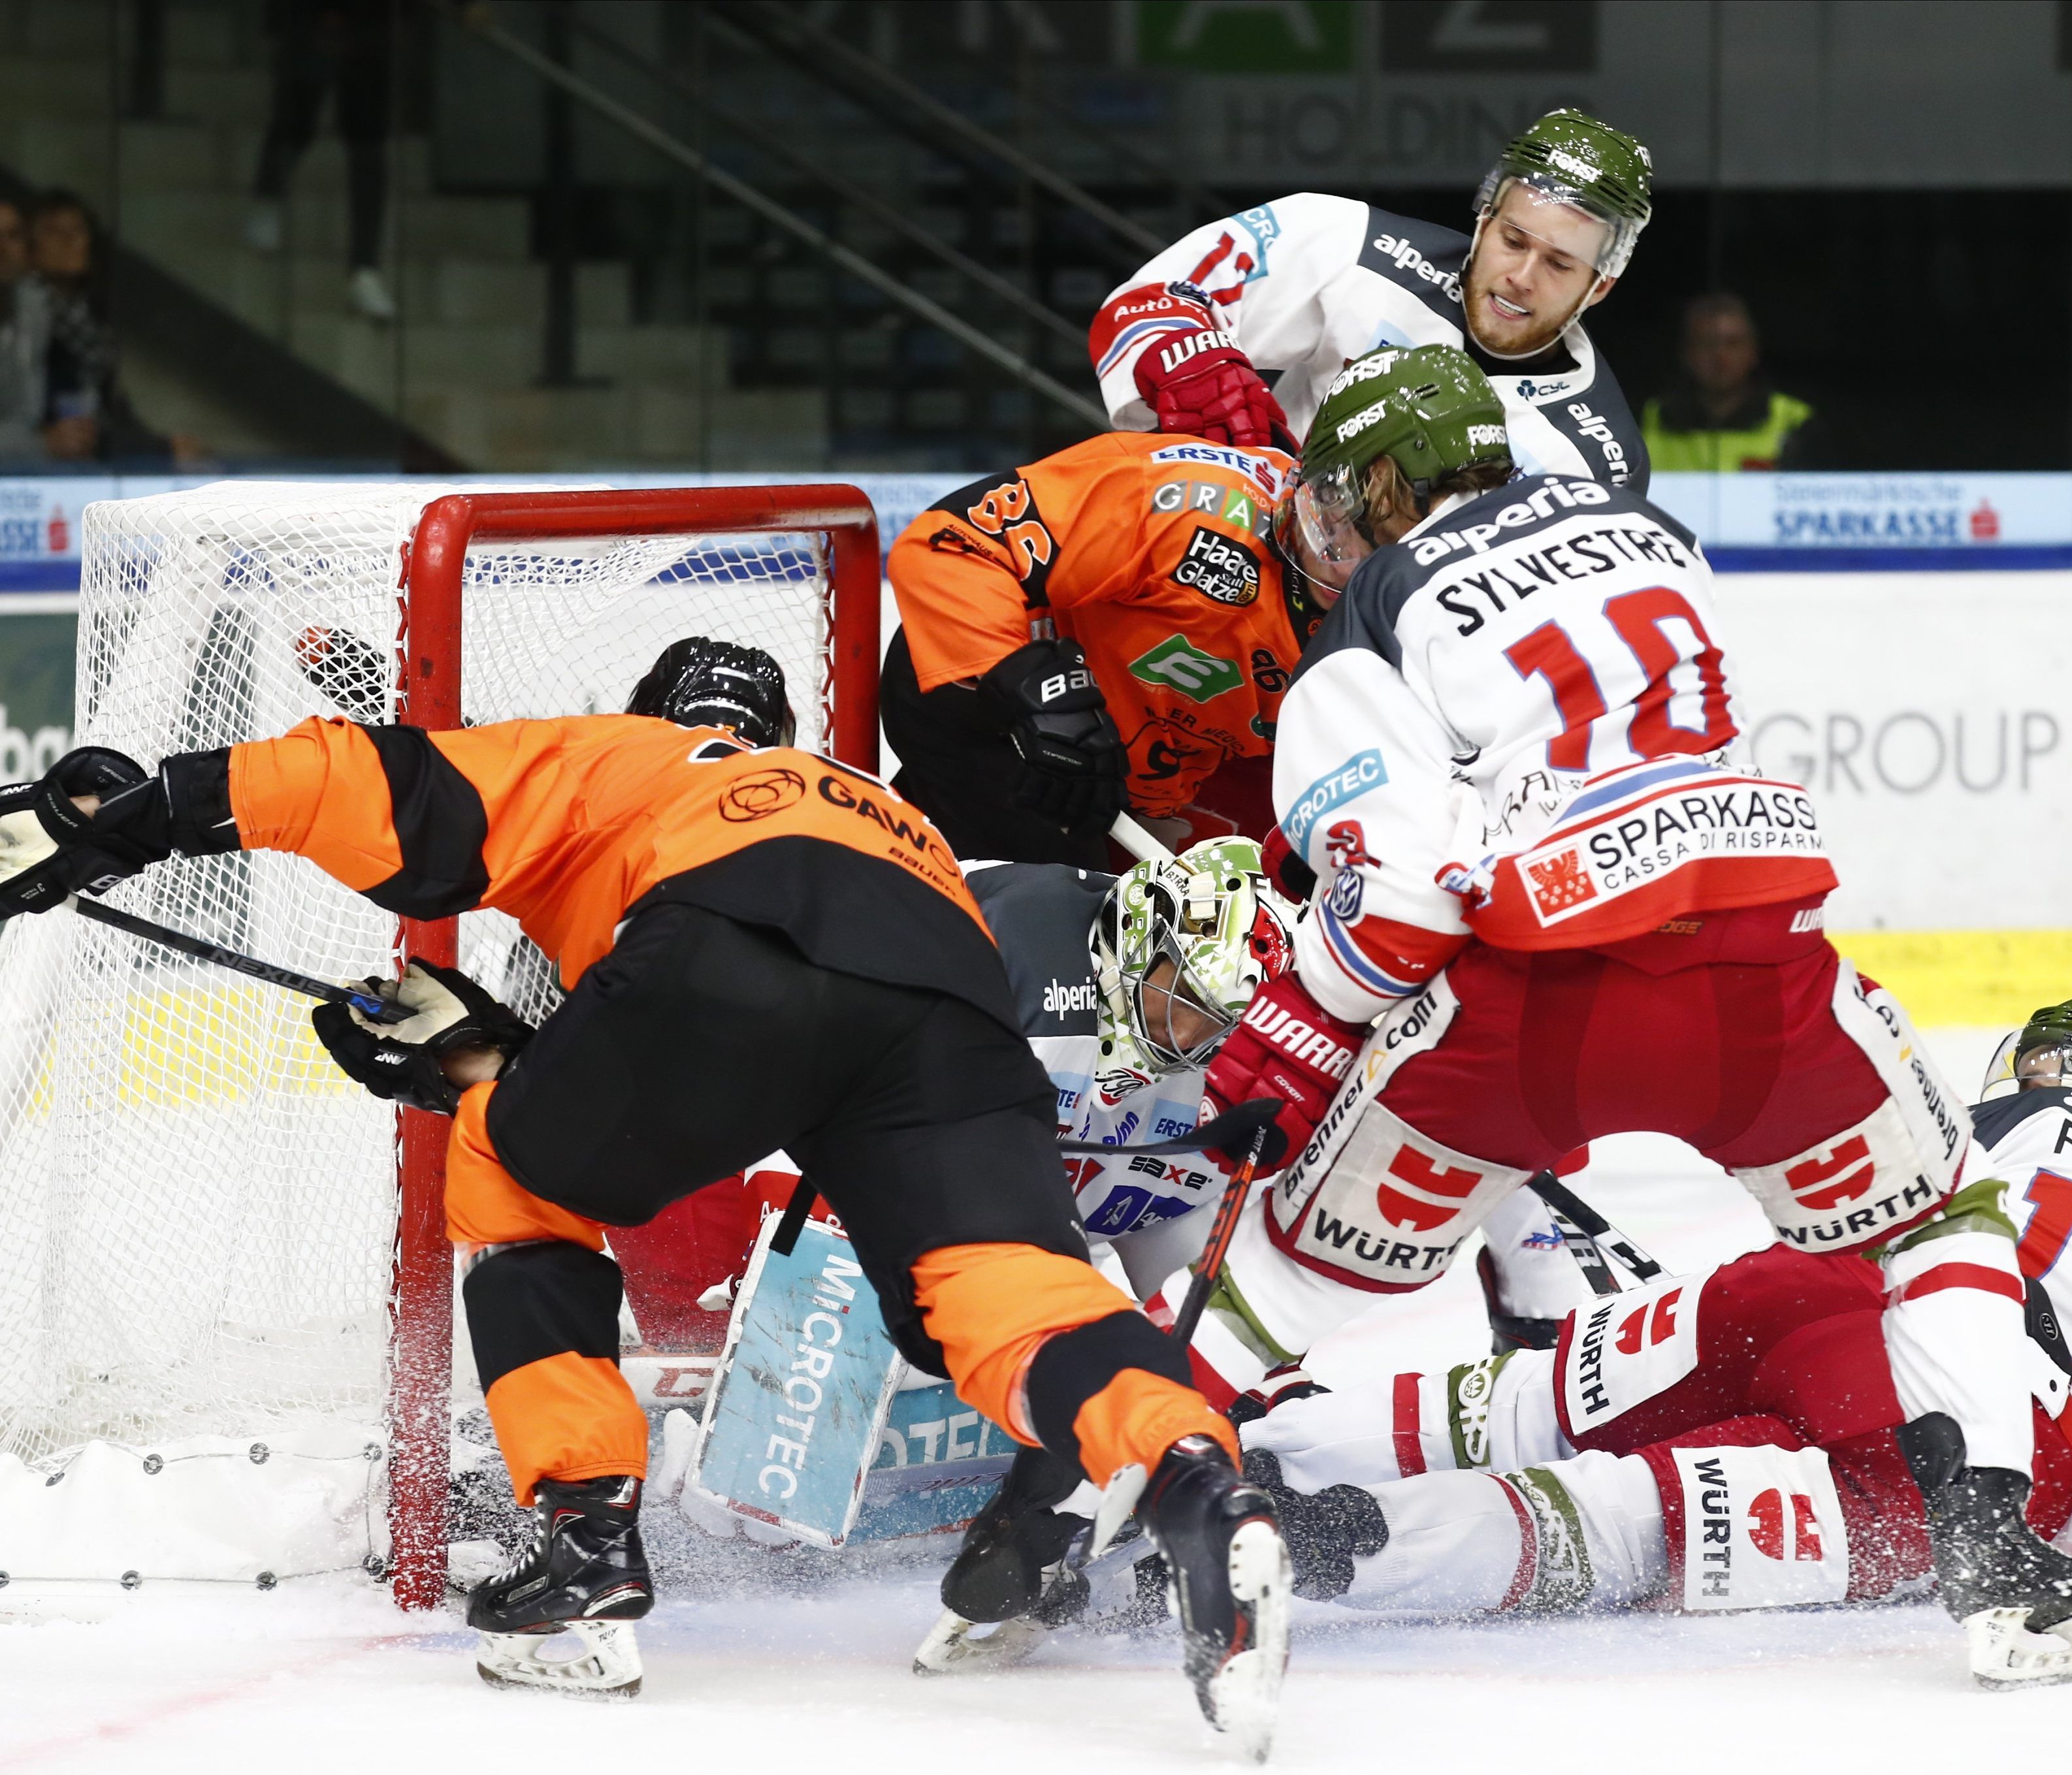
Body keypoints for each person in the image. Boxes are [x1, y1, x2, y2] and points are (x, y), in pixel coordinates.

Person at [0, 670, 1289, 1744]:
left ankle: (584, 1556)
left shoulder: (617, 758)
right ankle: (1194, 1488)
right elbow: (786, 1053)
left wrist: (143, 813)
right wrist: (507, 1061)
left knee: (507, 1161)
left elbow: (368, 783)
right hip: (949, 1008)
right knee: (1011, 1299)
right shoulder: (864, 801)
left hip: (737, 942)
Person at [1186, 342, 2072, 1687]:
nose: (1334, 532)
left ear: (1383, 484)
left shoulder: (1373, 614)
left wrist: (1282, 1048)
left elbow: (1399, 902)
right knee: (1940, 1219)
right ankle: (1989, 1541)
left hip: (1530, 1006)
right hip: (1759, 974)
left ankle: (1065, 1513)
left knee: (1267, 1284)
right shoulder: (1653, 530)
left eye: (1345, 499)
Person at [1240, 988, 2072, 1680]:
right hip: (1984, 1455)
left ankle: (1233, 1437)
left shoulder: (2009, 1117)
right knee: (1621, 1519)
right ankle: (1294, 1546)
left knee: (1532, 1395)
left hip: (1806, 1297)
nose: (2029, 1074)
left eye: (2048, 1058)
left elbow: (1861, 1197)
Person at [918, 835, 1593, 1663]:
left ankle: (1203, 1476)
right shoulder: (1013, 961)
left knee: (1245, 1374)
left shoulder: (1277, 1015)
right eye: (1181, 1004)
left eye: (1218, 1025)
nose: (1190, 1041)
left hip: (1142, 1188)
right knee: (1043, 1326)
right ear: (1136, 945)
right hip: (989, 1178)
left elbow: (1441, 1097)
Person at [1089, 108, 1654, 490]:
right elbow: (1154, 298)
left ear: (1600, 286)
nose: (1522, 277)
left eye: (1559, 264)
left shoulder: (1600, 462)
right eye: (1513, 240)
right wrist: (1191, 362)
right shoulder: (1352, 244)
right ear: (1484, 221)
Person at [882, 430, 1308, 869]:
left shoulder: (1351, 642)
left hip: (1147, 776)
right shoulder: (1191, 506)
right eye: (1334, 507)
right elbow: (950, 542)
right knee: (1051, 902)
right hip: (1004, 697)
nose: (1339, 545)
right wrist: (1039, 695)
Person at [247, 0, 398, 323]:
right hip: (313, 17)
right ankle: (268, 194)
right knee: (298, 117)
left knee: (368, 144)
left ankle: (365, 268)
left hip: (369, 25)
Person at [27, 191, 198, 469]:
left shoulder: (94, 315)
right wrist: (161, 450)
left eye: (77, 230)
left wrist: (160, 445)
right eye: (55, 231)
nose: (69, 241)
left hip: (95, 446)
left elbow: (107, 401)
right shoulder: (26, 315)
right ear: (31, 245)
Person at [1640, 293, 1817, 472]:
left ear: (1753, 351)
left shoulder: (1795, 421)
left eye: (1733, 343)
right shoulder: (1650, 418)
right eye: (1707, 344)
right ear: (1686, 353)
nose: (1720, 356)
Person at [0, 199, 48, 466]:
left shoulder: (35, 309)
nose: (2, 247)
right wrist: (41, 444)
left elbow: (29, 413)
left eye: (13, 236)